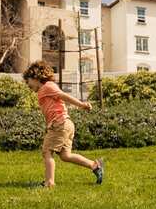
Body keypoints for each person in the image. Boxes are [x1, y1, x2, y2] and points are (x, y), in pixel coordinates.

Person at [23, 60, 104, 188]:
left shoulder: (47, 86)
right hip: (64, 124)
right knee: (66, 156)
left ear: (36, 77)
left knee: (47, 152)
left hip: (60, 124)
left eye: (28, 80)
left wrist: (81, 105)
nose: (27, 84)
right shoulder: (43, 90)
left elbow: (63, 96)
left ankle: (49, 182)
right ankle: (94, 165)